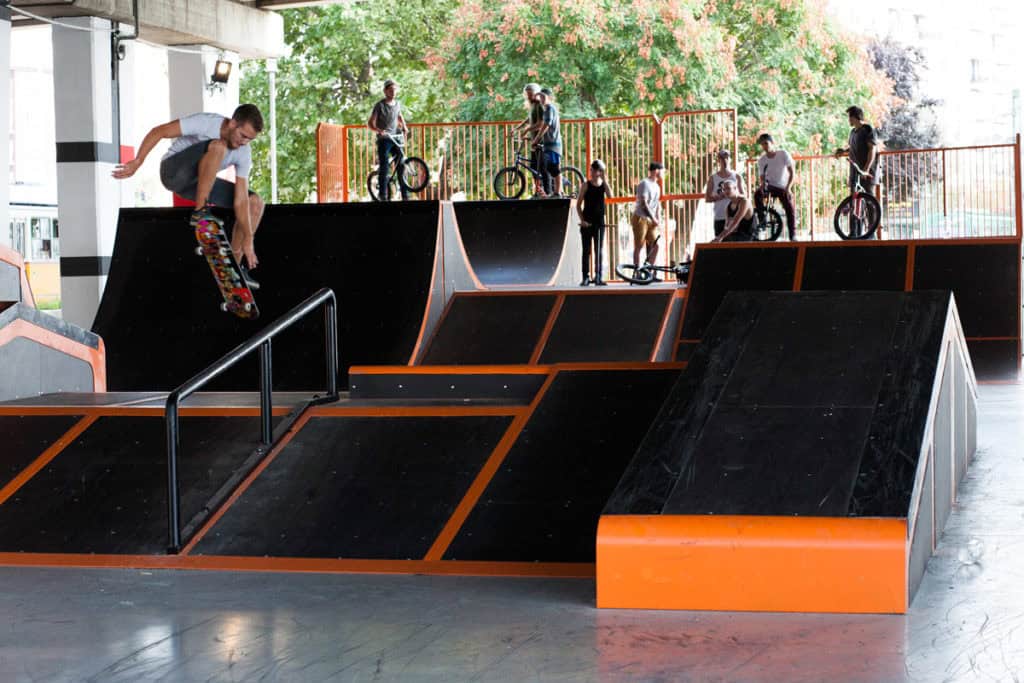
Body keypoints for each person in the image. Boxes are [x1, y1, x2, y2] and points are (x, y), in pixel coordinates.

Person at [112, 104, 265, 287]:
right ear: (233, 124)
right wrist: (138, 161)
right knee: (219, 146)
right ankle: (201, 212)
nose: (244, 143)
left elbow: (240, 200)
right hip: (174, 172)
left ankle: (234, 269)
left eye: (250, 140)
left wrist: (249, 238)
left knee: (254, 202)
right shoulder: (206, 122)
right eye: (243, 136)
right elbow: (159, 131)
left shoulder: (244, 153)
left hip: (199, 183)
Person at [367, 79, 410, 200]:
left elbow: (399, 116)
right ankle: (382, 194)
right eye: (390, 90)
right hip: (384, 139)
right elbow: (370, 123)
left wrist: (405, 127)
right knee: (385, 165)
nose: (393, 92)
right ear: (385, 91)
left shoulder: (397, 104)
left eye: (395, 90)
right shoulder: (380, 105)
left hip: (395, 137)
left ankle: (405, 195)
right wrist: (379, 130)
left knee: (401, 165)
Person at [575, 159, 614, 286]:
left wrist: (605, 180)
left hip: (599, 222)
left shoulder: (603, 185)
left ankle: (598, 276)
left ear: (600, 172)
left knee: (599, 250)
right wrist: (583, 221)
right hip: (587, 222)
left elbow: (611, 197)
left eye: (595, 170)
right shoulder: (586, 185)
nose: (592, 172)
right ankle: (585, 277)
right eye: (591, 170)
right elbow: (578, 205)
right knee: (586, 251)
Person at [754, 133, 797, 240]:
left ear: (772, 143)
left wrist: (788, 188)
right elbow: (762, 177)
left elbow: (792, 172)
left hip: (783, 187)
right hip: (770, 186)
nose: (764, 146)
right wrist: (763, 186)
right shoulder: (762, 160)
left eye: (766, 143)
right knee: (757, 194)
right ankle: (762, 221)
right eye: (762, 144)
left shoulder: (783, 154)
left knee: (789, 208)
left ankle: (793, 235)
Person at [834, 105, 880, 196]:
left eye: (849, 117)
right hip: (855, 171)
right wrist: (843, 151)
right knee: (853, 198)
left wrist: (866, 169)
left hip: (866, 171)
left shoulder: (868, 129)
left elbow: (872, 149)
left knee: (869, 200)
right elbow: (853, 148)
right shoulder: (853, 132)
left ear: (855, 117)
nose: (849, 120)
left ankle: (875, 211)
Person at [513, 83, 547, 197]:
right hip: (534, 142)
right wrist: (518, 127)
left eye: (531, 94)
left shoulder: (539, 106)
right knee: (534, 168)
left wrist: (527, 130)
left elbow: (541, 123)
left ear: (537, 94)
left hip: (540, 141)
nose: (529, 97)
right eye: (527, 95)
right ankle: (538, 191)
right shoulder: (532, 106)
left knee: (541, 168)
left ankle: (545, 191)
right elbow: (529, 118)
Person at [631, 162, 664, 275]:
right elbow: (644, 203)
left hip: (651, 219)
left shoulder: (657, 186)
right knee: (639, 246)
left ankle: (649, 272)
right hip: (641, 218)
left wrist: (658, 218)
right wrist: (653, 218)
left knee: (656, 246)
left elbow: (657, 204)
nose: (663, 173)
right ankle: (637, 272)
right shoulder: (644, 183)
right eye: (662, 170)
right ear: (656, 171)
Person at [704, 149, 744, 238]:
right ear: (718, 160)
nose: (724, 160)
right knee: (721, 246)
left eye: (726, 158)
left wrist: (732, 194)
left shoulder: (737, 176)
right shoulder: (713, 178)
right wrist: (720, 197)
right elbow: (707, 198)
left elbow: (744, 197)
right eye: (722, 158)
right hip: (719, 216)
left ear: (730, 159)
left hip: (734, 217)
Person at [533, 88, 563, 197]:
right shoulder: (547, 110)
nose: (541, 99)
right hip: (549, 144)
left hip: (553, 143)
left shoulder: (550, 109)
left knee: (553, 167)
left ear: (550, 97)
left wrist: (536, 139)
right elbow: (541, 126)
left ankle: (558, 191)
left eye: (543, 97)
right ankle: (557, 190)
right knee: (550, 167)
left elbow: (546, 126)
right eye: (540, 97)